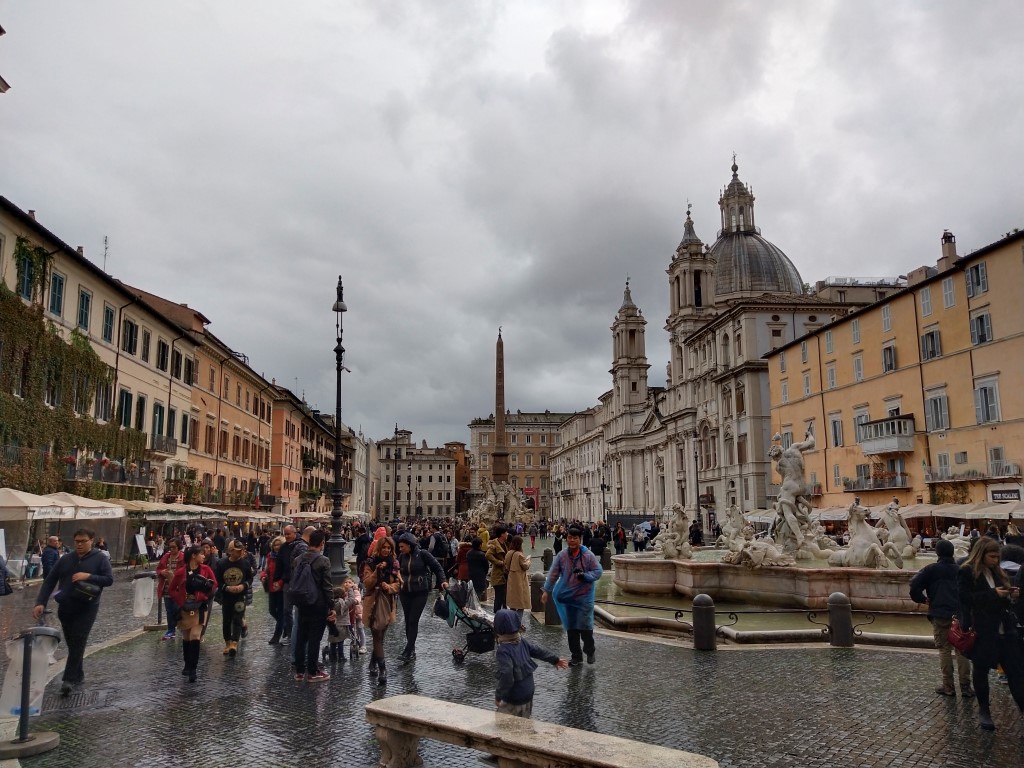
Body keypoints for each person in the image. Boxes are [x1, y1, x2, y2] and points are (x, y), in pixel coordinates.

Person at [32, 528, 114, 695]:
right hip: (66, 607)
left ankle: (68, 680)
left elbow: (109, 580)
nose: (79, 544)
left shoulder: (100, 559)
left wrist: (88, 576)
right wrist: (40, 602)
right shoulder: (66, 559)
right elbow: (50, 581)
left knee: (78, 640)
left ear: (92, 540)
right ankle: (79, 673)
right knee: (73, 643)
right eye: (77, 541)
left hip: (88, 607)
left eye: (83, 541)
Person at [958, 536, 1024, 730]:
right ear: (982, 554)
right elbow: (965, 599)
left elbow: (1002, 601)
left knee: (1016, 672)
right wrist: (994, 594)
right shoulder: (967, 572)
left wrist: (1011, 596)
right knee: (981, 671)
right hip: (983, 631)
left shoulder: (997, 572)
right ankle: (984, 710)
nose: (996, 560)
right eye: (992, 556)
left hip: (1006, 630)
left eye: (997, 557)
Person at [909, 539, 973, 697]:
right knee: (962, 650)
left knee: (944, 650)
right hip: (960, 615)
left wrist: (923, 599)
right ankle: (965, 687)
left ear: (937, 553)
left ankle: (948, 686)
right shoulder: (961, 570)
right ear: (952, 552)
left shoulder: (930, 570)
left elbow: (914, 586)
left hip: (939, 614)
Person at [541, 525, 603, 666]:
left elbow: (598, 571)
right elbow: (553, 573)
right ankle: (576, 656)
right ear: (566, 538)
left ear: (580, 539)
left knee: (585, 626)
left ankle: (589, 649)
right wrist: (546, 590)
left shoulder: (587, 555)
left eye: (575, 538)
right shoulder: (562, 555)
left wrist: (585, 576)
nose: (572, 540)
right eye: (569, 538)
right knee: (571, 627)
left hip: (584, 597)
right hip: (568, 597)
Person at [493, 608, 568, 718]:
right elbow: (538, 650)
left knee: (503, 725)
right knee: (524, 722)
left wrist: (499, 696)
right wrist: (555, 659)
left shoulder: (503, 650)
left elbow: (507, 674)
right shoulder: (521, 640)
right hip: (528, 692)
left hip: (514, 697)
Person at [395, 532, 448, 663]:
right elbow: (396, 571)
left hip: (420, 592)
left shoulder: (423, 554)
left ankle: (408, 649)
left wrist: (443, 580)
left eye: (402, 546)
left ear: (409, 545)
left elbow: (437, 567)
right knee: (408, 621)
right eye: (399, 547)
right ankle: (411, 649)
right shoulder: (401, 557)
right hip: (405, 592)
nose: (400, 549)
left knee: (413, 620)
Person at [168, 545, 217, 683]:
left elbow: (214, 585)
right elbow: (172, 589)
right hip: (185, 607)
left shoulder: (206, 570)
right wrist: (180, 600)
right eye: (201, 554)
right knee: (187, 637)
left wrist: (206, 594)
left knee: (195, 635)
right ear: (193, 556)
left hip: (200, 607)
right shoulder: (181, 572)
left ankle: (193, 669)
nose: (204, 556)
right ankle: (187, 664)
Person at [292, 530, 335, 682]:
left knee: (301, 636)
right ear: (322, 543)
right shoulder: (323, 561)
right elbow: (327, 587)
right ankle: (312, 671)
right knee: (314, 638)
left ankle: (298, 671)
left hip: (301, 601)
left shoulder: (298, 559)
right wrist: (332, 606)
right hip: (318, 603)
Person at [361, 535, 402, 685]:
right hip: (372, 602)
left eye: (388, 548)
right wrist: (376, 572)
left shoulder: (394, 564)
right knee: (377, 635)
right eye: (383, 547)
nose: (386, 550)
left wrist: (389, 587)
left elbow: (399, 584)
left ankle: (373, 663)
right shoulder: (370, 563)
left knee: (381, 636)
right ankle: (383, 669)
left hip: (387, 602)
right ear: (379, 548)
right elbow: (367, 583)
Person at [214, 539, 254, 656]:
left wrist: (243, 586)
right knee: (226, 620)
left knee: (238, 618)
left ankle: (234, 642)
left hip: (240, 596)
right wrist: (226, 588)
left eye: (241, 550)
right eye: (237, 551)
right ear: (231, 551)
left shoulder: (245, 563)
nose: (241, 552)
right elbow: (218, 580)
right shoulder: (222, 564)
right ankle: (227, 642)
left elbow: (250, 578)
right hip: (227, 597)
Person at [155, 538, 184, 640]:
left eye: (174, 547)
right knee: (169, 610)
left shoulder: (183, 557)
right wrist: (162, 572)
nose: (171, 549)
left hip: (178, 590)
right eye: (170, 547)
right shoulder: (166, 557)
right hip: (166, 588)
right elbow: (158, 569)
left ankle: (182, 627)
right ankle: (171, 630)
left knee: (178, 610)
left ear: (178, 547)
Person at [262, 535, 286, 644]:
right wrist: (262, 575)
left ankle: (277, 635)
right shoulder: (270, 556)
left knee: (280, 612)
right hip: (271, 587)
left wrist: (280, 582)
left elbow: (287, 572)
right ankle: (285, 624)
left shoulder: (285, 557)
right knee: (272, 610)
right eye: (275, 544)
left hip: (281, 588)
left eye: (279, 544)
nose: (277, 547)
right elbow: (266, 569)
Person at [504, 535, 532, 622]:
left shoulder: (508, 553)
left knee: (513, 602)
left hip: (511, 578)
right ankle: (517, 622)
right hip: (519, 580)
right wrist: (528, 560)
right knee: (521, 604)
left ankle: (512, 621)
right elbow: (525, 566)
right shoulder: (519, 555)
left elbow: (505, 565)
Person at [486, 526, 510, 612]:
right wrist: (499, 562)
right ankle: (497, 615)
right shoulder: (495, 544)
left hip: (505, 573)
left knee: (504, 596)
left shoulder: (504, 543)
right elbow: (488, 555)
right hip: (498, 574)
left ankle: (504, 614)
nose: (507, 534)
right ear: (502, 534)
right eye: (506, 532)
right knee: (499, 597)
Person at [466, 537, 489, 602]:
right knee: (478, 593)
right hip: (480, 576)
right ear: (480, 545)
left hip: (471, 574)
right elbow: (486, 566)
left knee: (472, 591)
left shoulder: (468, 553)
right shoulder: (481, 555)